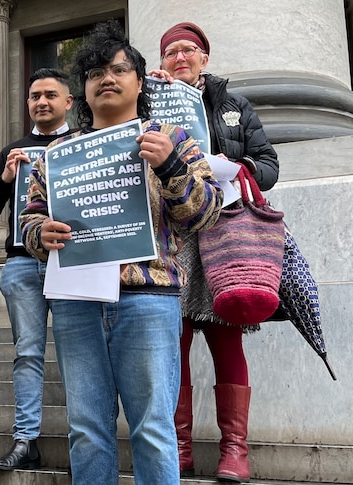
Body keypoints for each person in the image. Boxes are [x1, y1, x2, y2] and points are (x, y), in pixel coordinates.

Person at [20, 21, 223, 484]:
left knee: (153, 428)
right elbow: (30, 217)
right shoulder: (58, 152)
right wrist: (40, 234)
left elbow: (206, 213)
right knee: (86, 430)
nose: (106, 78)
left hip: (148, 298)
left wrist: (171, 167)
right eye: (95, 73)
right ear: (85, 91)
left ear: (139, 81)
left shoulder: (171, 139)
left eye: (118, 69)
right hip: (75, 301)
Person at [150, 22, 280, 482]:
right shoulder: (151, 98)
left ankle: (235, 450)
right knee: (175, 341)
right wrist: (150, 96)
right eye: (171, 53)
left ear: (205, 58)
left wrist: (239, 167)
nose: (180, 58)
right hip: (173, 235)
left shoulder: (234, 105)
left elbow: (269, 167)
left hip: (226, 234)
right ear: (162, 61)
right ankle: (179, 448)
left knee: (227, 337)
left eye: (189, 50)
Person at [0, 67, 73, 471]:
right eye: (35, 95)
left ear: (68, 102)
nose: (42, 102)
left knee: (76, 355)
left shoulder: (84, 143)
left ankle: (83, 442)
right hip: (20, 262)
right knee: (27, 353)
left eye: (51, 95)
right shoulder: (13, 149)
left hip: (72, 261)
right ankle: (25, 440)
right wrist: (4, 178)